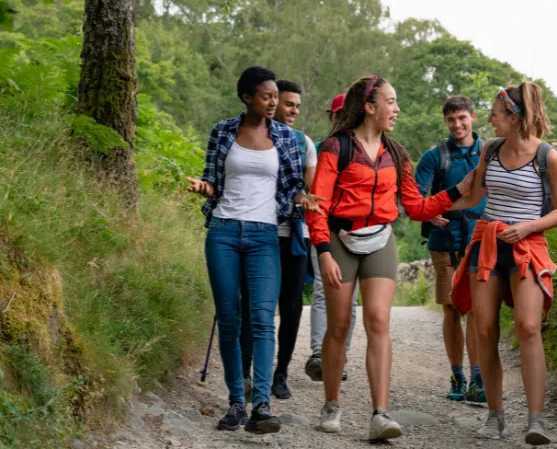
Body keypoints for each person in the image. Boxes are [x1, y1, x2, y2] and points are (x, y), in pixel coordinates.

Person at [306, 76, 475, 440]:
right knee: (338, 326)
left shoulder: (397, 154)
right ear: (370, 107)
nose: (396, 109)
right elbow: (317, 204)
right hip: (340, 239)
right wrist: (323, 251)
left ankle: (379, 415)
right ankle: (332, 405)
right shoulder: (336, 148)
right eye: (391, 102)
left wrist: (459, 190)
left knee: (379, 321)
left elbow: (415, 207)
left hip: (381, 239)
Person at [186, 66, 317, 434]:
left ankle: (261, 404)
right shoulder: (223, 131)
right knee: (229, 319)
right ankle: (234, 404)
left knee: (262, 320)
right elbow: (213, 178)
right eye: (266, 96)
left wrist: (304, 199)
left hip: (265, 235)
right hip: (224, 232)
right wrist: (203, 187)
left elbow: (293, 187)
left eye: (275, 96)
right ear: (246, 97)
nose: (273, 102)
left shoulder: (288, 138)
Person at [449, 82, 557, 445]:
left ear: (514, 118)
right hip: (487, 243)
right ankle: (495, 416)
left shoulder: (548, 157)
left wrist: (527, 227)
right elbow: (475, 194)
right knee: (483, 330)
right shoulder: (490, 149)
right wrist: (430, 208)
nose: (489, 119)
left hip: (527, 247)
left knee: (528, 327)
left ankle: (536, 421)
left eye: (496, 114)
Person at [414, 95, 486, 403]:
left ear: (473, 116)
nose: (457, 125)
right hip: (444, 242)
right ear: (446, 121)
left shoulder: (490, 152)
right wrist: (430, 212)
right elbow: (414, 198)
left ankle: (478, 378)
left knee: (477, 310)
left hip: (481, 239)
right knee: (452, 309)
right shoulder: (434, 156)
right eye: (451, 120)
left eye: (462, 118)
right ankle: (457, 375)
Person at [305, 94, 359, 383]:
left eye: (345, 114)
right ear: (331, 117)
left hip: (356, 234)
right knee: (322, 290)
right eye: (336, 115)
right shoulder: (317, 150)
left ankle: (340, 357)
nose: (341, 120)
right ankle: (318, 354)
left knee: (349, 300)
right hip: (324, 230)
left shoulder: (364, 150)